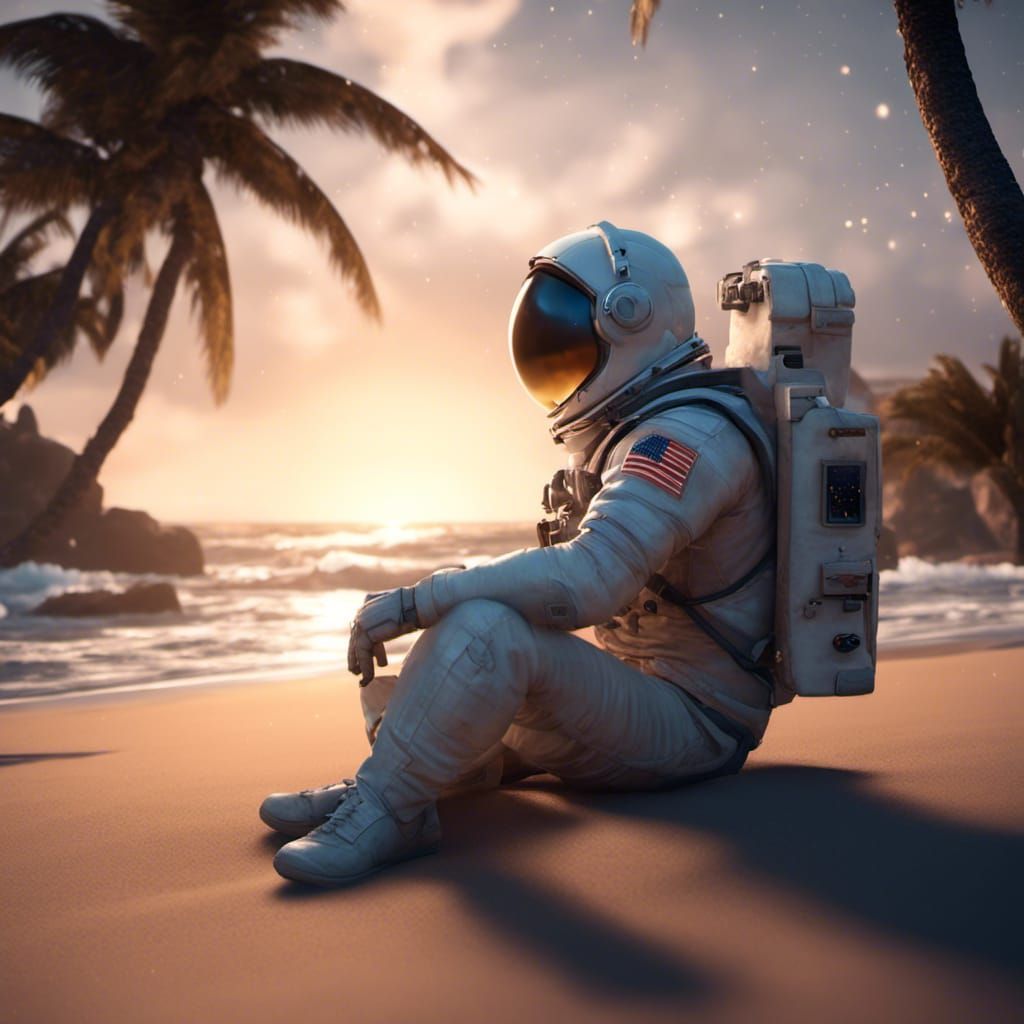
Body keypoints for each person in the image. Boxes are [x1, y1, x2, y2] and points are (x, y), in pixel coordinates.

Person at [262, 222, 776, 887]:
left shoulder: (685, 439)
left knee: (481, 627)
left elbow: (590, 581)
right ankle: (398, 780)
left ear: (628, 321)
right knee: (483, 613)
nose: (552, 360)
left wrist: (417, 601)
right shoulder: (652, 428)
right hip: (644, 701)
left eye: (565, 342)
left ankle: (393, 807)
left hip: (693, 725)